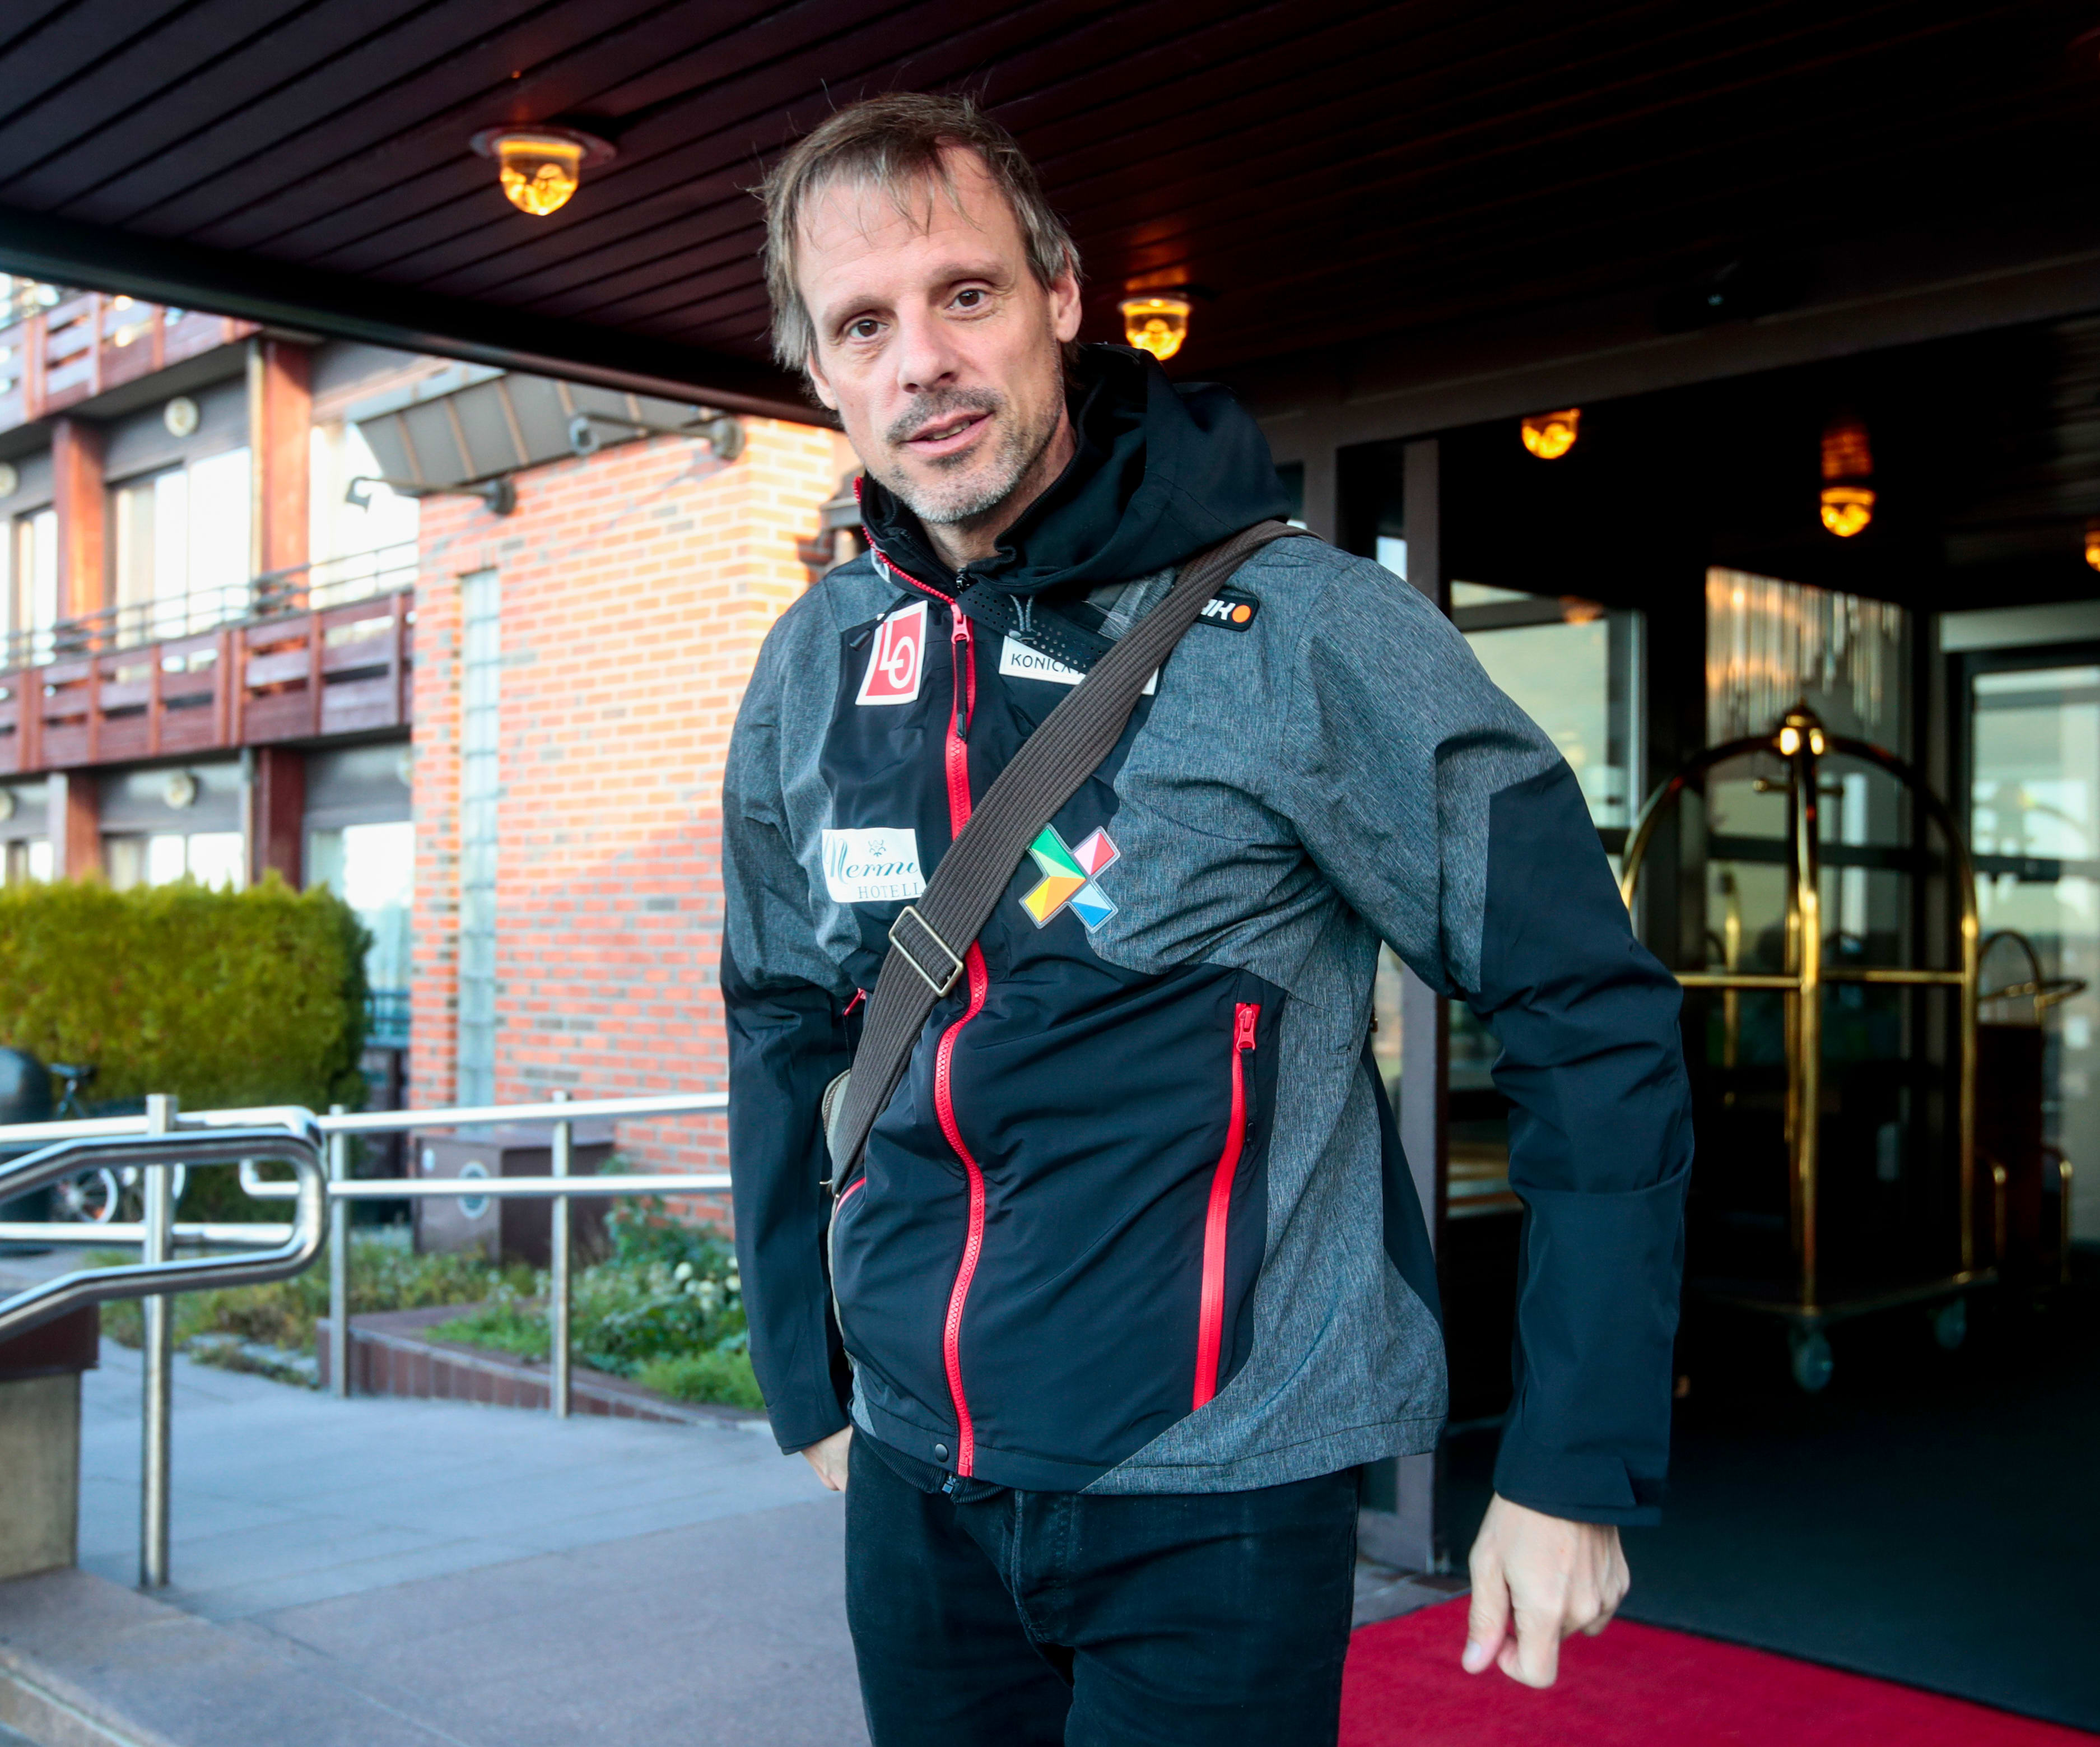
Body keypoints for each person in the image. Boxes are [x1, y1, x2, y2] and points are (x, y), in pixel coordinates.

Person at [721, 92, 1692, 1746]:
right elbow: (778, 1018)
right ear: (818, 368)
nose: (922, 364)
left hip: (1216, 1500)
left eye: (967, 294)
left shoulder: (1304, 631)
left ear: (1060, 298)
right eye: (863, 324)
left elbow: (1586, 1006)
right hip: (914, 1492)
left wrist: (1570, 1459)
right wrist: (804, 1374)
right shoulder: (816, 660)